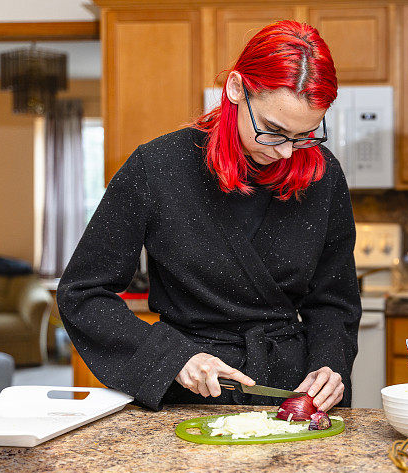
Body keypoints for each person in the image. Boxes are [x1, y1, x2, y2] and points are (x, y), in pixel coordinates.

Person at [57, 21, 361, 412]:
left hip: (292, 397)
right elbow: (83, 294)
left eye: (304, 135)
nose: (287, 153)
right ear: (236, 89)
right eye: (273, 130)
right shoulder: (157, 167)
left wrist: (329, 366)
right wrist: (172, 358)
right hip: (191, 393)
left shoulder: (323, 174)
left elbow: (334, 301)